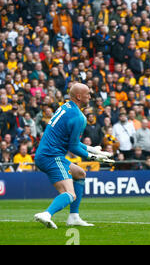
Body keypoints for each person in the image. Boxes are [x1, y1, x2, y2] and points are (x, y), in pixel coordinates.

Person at [33, 83, 114, 229]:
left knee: (79, 173)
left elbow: (71, 141)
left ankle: (74, 217)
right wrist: (94, 157)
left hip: (47, 154)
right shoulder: (79, 117)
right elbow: (73, 147)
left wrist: (94, 150)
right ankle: (47, 214)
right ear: (78, 96)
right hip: (52, 157)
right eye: (88, 94)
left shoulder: (66, 107)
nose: (90, 96)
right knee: (70, 194)